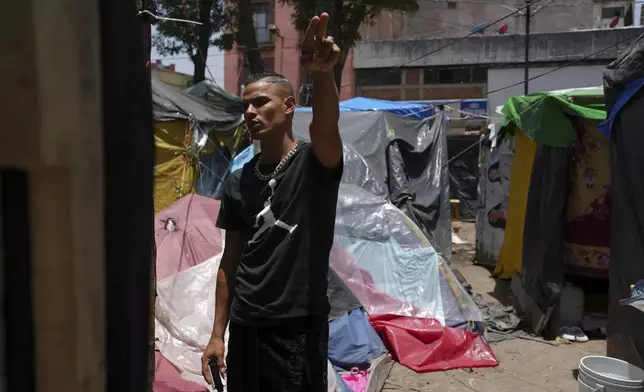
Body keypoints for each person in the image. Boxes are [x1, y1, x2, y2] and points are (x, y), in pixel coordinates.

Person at [201, 12, 343, 392]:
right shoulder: (238, 180)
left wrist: (322, 73)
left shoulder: (314, 165)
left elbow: (326, 126)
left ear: (289, 106)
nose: (250, 112)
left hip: (295, 328)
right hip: (246, 328)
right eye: (246, 104)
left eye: (261, 102)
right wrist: (218, 335)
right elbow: (229, 263)